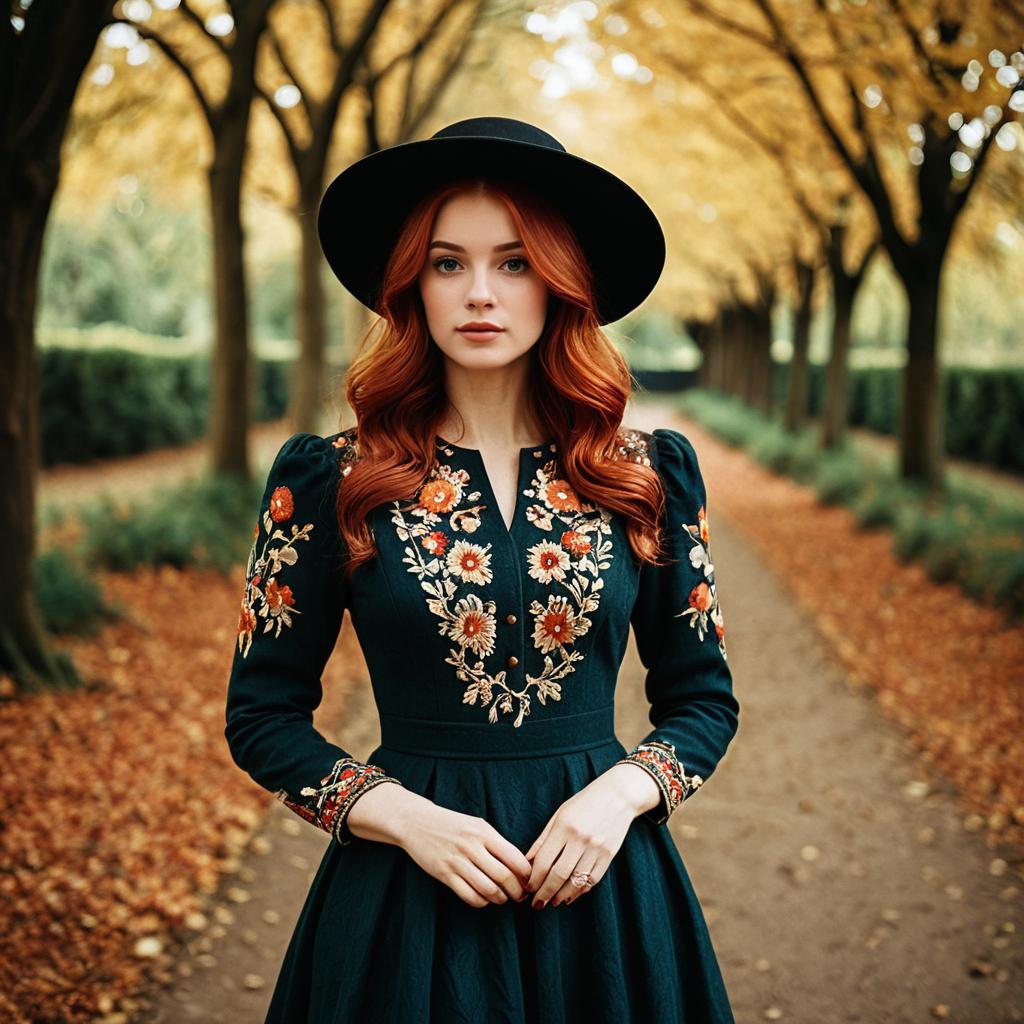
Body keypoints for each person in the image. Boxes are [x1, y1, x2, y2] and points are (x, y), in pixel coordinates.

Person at [225, 116, 739, 1023]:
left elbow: (703, 700)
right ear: (410, 285)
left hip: (605, 896)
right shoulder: (331, 477)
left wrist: (621, 798)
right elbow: (262, 714)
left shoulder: (647, 473)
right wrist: (402, 816)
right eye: (446, 262)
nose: (479, 294)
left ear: (561, 282)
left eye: (514, 262)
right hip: (403, 906)